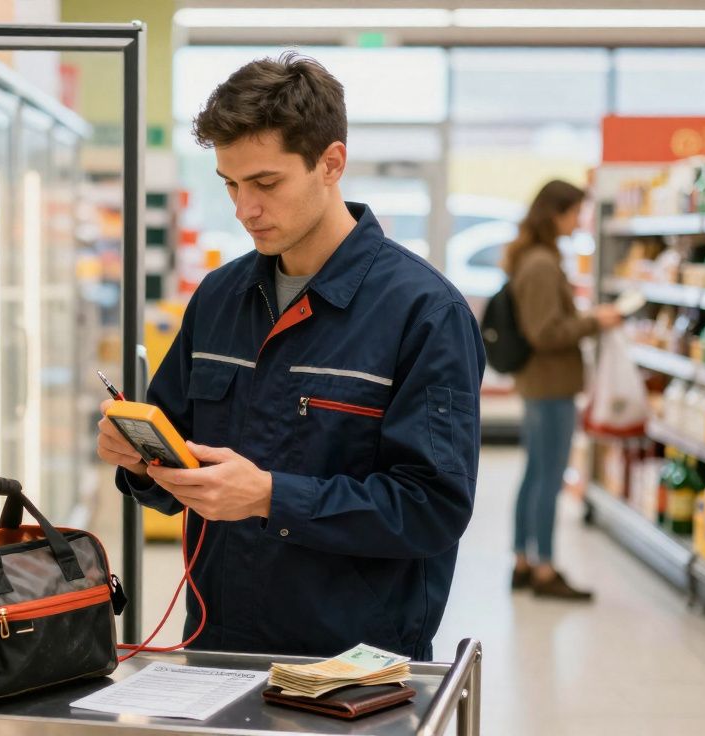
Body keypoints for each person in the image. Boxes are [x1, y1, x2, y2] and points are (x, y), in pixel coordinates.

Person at [95, 52, 484, 660]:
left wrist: (271, 497)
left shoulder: (426, 313)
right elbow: (181, 470)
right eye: (230, 183)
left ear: (332, 162)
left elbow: (432, 509)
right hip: (216, 646)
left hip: (353, 666)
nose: (243, 208)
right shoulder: (219, 298)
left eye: (266, 183)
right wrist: (140, 462)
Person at [503, 180, 622, 601]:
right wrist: (596, 321)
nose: (580, 221)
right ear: (556, 213)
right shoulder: (541, 264)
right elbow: (545, 332)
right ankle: (545, 568)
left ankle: (523, 560)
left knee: (535, 474)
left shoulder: (535, 258)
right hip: (550, 385)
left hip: (542, 383)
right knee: (547, 478)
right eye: (575, 213)